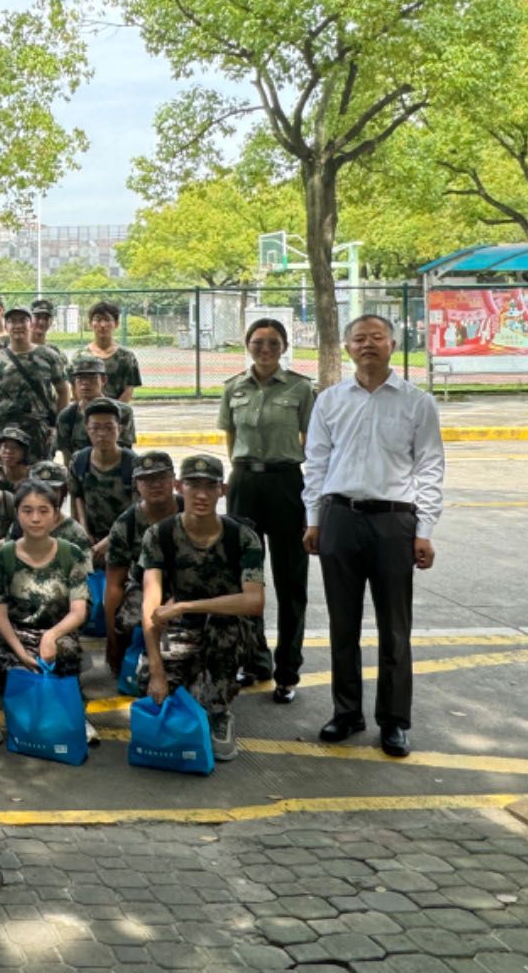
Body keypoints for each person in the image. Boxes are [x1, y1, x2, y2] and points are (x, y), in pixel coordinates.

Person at [302, 314, 444, 758]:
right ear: (347, 348)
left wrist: (425, 530)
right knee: (342, 624)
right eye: (359, 338)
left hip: (394, 523)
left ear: (393, 345)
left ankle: (394, 720)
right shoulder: (329, 401)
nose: (368, 344)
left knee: (394, 627)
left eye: (377, 337)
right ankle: (346, 712)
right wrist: (313, 519)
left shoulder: (418, 402)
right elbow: (316, 462)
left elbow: (430, 467)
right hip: (339, 517)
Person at [141, 454, 266, 762]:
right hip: (181, 628)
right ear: (179, 486)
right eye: (193, 485)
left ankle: (219, 712)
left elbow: (254, 601)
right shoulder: (160, 535)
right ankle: (192, 683)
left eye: (209, 486)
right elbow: (150, 603)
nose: (201, 495)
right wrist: (156, 669)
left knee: (224, 628)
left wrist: (185, 605)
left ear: (222, 490)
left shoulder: (242, 537)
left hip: (227, 627)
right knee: (153, 687)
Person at [219, 317, 317, 704]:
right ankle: (255, 659)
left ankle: (288, 671)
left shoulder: (301, 388)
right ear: (247, 345)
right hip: (245, 483)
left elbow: (311, 439)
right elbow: (231, 437)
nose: (265, 349)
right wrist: (242, 471)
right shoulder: (234, 388)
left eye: (273, 343)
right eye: (258, 342)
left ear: (284, 347)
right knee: (247, 577)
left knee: (291, 580)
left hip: (286, 483)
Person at [0, 480, 91, 746]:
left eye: (43, 510)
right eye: (27, 510)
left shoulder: (71, 554)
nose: (35, 518)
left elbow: (78, 611)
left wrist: (51, 635)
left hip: (56, 631)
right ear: (17, 514)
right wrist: (20, 651)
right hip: (15, 633)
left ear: (56, 514)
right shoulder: (3, 556)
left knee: (67, 650)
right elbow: (0, 614)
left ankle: (76, 711)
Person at [103, 451, 179, 675]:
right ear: (136, 484)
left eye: (161, 477)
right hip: (144, 587)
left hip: (192, 586)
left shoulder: (191, 512)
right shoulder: (126, 524)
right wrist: (112, 639)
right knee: (128, 621)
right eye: (146, 479)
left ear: (173, 479)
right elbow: (114, 585)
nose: (155, 484)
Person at [0, 305, 69, 465]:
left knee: (40, 473)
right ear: (6, 326)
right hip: (6, 431)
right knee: (7, 472)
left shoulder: (49, 356)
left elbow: (63, 391)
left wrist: (56, 425)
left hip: (39, 430)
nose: (18, 325)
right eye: (12, 321)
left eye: (23, 320)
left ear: (31, 324)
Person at [69, 398, 135, 542]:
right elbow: (77, 497)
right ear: (87, 430)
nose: (102, 434)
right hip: (90, 538)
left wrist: (108, 542)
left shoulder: (133, 464)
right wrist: (84, 531)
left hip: (125, 539)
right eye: (95, 428)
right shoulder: (79, 460)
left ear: (119, 429)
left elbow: (137, 510)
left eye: (109, 428)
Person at [57, 354, 137, 461]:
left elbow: (126, 453)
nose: (85, 383)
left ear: (103, 380)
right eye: (80, 378)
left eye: (91, 378)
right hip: (81, 469)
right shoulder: (67, 416)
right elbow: (67, 457)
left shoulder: (123, 412)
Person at [84, 300, 141, 402]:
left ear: (116, 323)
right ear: (90, 324)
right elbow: (76, 389)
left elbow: (129, 389)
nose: (102, 325)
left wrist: (113, 410)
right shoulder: (81, 356)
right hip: (88, 410)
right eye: (98, 319)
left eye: (107, 319)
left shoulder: (127, 357)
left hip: (119, 410)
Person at [27, 298, 68, 372]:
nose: (41, 322)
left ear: (51, 321)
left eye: (46, 318)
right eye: (37, 317)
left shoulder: (57, 353)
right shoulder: (19, 349)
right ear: (29, 319)